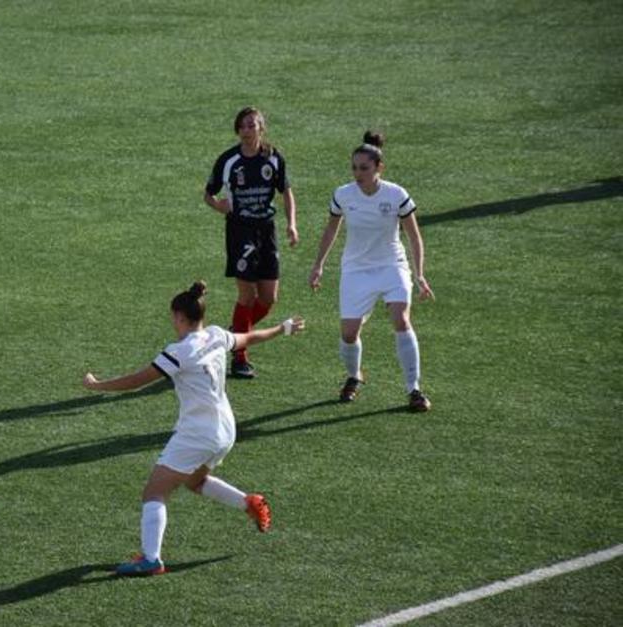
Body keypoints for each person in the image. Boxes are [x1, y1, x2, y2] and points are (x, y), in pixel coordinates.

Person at [83, 281, 304, 576]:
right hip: (225, 429)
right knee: (195, 482)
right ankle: (248, 502)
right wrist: (282, 329)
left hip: (198, 433)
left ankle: (151, 559)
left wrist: (98, 385)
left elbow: (139, 380)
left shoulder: (178, 351)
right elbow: (249, 337)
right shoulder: (216, 335)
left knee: (154, 492)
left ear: (179, 317)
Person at [308, 131, 434, 411]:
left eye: (364, 168)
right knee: (349, 334)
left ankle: (414, 389)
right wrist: (318, 265)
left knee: (401, 319)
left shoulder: (396, 194)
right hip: (356, 270)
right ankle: (354, 376)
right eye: (354, 167)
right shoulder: (343, 194)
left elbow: (414, 236)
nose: (357, 173)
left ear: (379, 168)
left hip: (392, 265)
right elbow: (331, 229)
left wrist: (419, 273)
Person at [203, 107, 299, 379]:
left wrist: (292, 223)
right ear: (238, 130)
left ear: (261, 129)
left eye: (252, 125)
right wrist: (219, 206)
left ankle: (231, 335)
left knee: (268, 299)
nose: (247, 130)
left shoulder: (273, 158)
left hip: (267, 230)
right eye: (243, 126)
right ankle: (240, 357)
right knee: (247, 296)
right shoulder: (229, 160)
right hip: (240, 230)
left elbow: (287, 192)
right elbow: (208, 194)